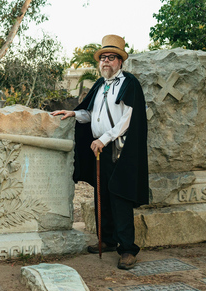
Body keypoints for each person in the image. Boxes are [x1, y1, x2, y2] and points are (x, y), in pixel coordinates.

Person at [52, 34, 149, 270]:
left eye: (112, 57)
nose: (106, 61)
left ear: (120, 62)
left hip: (119, 149)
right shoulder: (100, 84)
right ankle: (107, 240)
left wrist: (104, 139)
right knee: (102, 194)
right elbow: (91, 113)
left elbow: (128, 119)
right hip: (100, 148)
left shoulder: (129, 83)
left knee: (119, 196)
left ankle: (127, 249)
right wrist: (73, 113)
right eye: (103, 57)